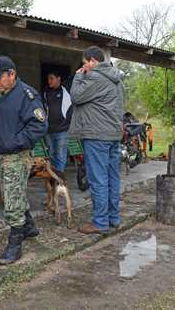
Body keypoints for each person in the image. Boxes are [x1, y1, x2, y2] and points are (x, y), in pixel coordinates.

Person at [0, 56, 48, 265]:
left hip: (16, 155)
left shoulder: (26, 95)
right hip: (1, 154)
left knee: (11, 198)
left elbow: (39, 125)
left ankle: (15, 242)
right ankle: (29, 226)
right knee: (14, 191)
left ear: (12, 74)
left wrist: (15, 143)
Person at [68, 46, 125, 235]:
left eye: (85, 63)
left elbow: (76, 96)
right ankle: (113, 218)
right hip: (113, 134)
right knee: (112, 177)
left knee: (98, 179)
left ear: (93, 61)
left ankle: (100, 222)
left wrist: (78, 76)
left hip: (96, 135)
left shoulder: (94, 77)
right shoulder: (117, 80)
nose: (84, 67)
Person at [42, 71, 73, 178]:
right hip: (49, 131)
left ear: (58, 78)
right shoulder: (45, 92)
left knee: (61, 156)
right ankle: (54, 178)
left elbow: (75, 77)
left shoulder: (66, 90)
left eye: (51, 78)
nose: (49, 81)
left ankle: (59, 180)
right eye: (48, 78)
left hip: (63, 130)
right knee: (51, 155)